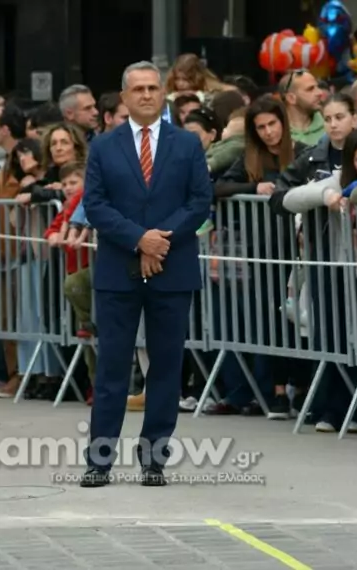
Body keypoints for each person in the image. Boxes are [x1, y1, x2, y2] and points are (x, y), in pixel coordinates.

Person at [79, 61, 213, 488]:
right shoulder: (104, 146)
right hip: (118, 270)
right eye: (138, 89)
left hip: (173, 269)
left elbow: (199, 202)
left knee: (166, 367)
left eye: (153, 88)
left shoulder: (186, 144)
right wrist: (140, 240)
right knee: (112, 367)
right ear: (124, 97)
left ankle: (154, 458)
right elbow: (96, 205)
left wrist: (159, 241)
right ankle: (99, 460)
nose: (147, 95)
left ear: (163, 93)